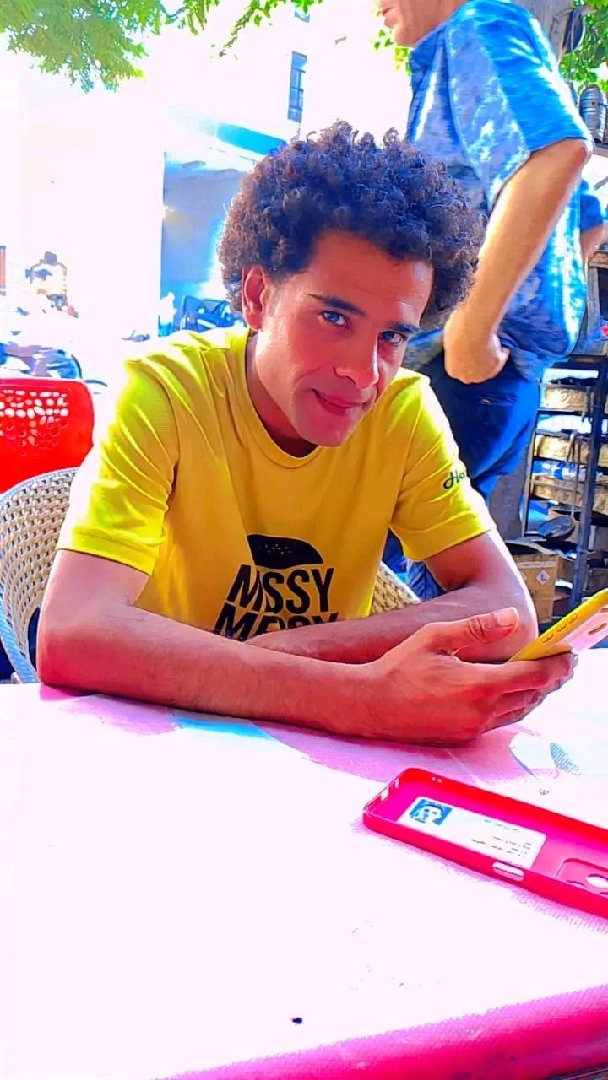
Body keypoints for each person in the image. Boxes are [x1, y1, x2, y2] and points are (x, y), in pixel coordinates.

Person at [37, 123, 573, 746]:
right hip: (163, 737)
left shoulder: (401, 412)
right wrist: (355, 698)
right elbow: (71, 632)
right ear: (259, 296)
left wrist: (297, 651)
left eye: (391, 336)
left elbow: (507, 612)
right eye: (334, 317)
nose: (363, 373)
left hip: (319, 752)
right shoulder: (166, 391)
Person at [380, 0, 594, 595]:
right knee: (429, 582)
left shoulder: (477, 25)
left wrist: (475, 323)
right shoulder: (494, 41)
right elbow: (589, 222)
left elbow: (558, 153)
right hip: (495, 376)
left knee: (367, 567)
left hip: (463, 371)